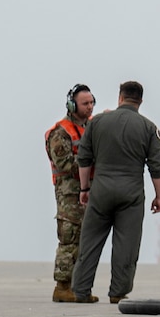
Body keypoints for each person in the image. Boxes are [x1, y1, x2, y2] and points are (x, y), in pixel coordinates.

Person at [73, 81, 160, 304]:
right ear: (140, 101)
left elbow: (84, 158)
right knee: (127, 244)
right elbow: (157, 166)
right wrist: (158, 196)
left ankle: (81, 290)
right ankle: (117, 292)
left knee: (90, 241)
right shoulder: (149, 127)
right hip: (131, 194)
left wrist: (85, 188)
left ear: (120, 98)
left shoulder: (98, 122)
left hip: (101, 190)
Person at [45, 84, 95, 303]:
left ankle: (78, 287)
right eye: (85, 103)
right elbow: (65, 164)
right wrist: (92, 163)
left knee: (85, 241)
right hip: (69, 196)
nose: (90, 107)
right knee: (69, 240)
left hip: (87, 193)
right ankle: (62, 287)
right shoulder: (60, 132)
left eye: (92, 102)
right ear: (72, 105)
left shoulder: (91, 128)